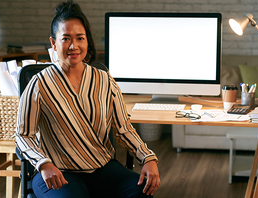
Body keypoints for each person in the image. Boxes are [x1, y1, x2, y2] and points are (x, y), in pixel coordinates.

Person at [15, 1, 160, 197]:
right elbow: (23, 135)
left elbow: (123, 129)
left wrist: (148, 158)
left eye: (80, 38)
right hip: (59, 172)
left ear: (86, 42)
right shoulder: (39, 84)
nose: (74, 46)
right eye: (65, 39)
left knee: (141, 191)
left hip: (102, 168)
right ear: (53, 43)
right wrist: (44, 163)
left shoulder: (104, 80)